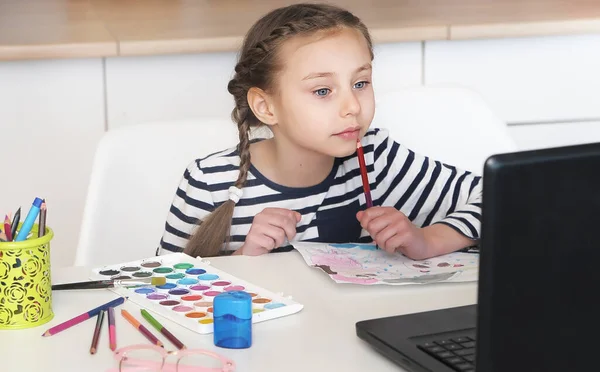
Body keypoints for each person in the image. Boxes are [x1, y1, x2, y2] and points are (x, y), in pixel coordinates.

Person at [157, 3, 481, 260]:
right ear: (266, 107)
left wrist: (427, 240)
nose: (352, 106)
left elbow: (503, 196)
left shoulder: (375, 157)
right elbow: (159, 291)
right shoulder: (209, 182)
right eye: (323, 91)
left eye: (360, 83)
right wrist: (243, 261)